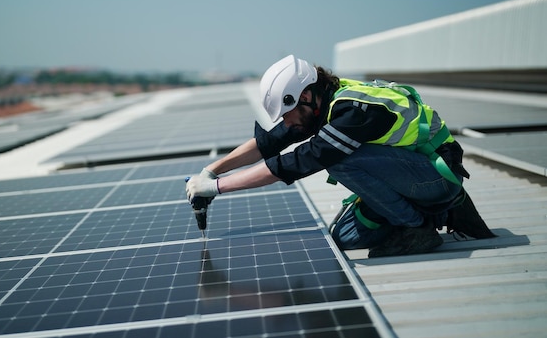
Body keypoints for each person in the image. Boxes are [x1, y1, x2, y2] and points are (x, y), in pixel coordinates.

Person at [186, 55, 495, 257]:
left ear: (305, 97)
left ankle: (416, 226)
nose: (287, 122)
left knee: (337, 157)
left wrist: (217, 189)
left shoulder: (352, 113)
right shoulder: (321, 104)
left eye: (287, 113)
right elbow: (271, 142)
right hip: (406, 174)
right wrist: (211, 171)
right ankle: (428, 213)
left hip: (435, 175)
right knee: (344, 237)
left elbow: (299, 161)